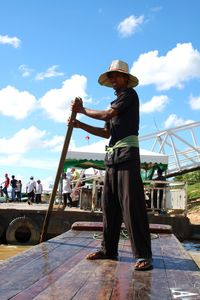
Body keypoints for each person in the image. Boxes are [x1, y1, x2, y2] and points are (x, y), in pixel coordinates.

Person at [68, 60, 152, 271]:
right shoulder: (114, 104)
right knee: (110, 206)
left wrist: (82, 109)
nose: (114, 80)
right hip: (112, 159)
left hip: (127, 157)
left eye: (117, 76)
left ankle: (143, 255)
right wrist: (79, 125)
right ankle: (108, 250)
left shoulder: (129, 95)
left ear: (125, 79)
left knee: (131, 207)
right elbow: (106, 132)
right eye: (111, 77)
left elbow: (106, 115)